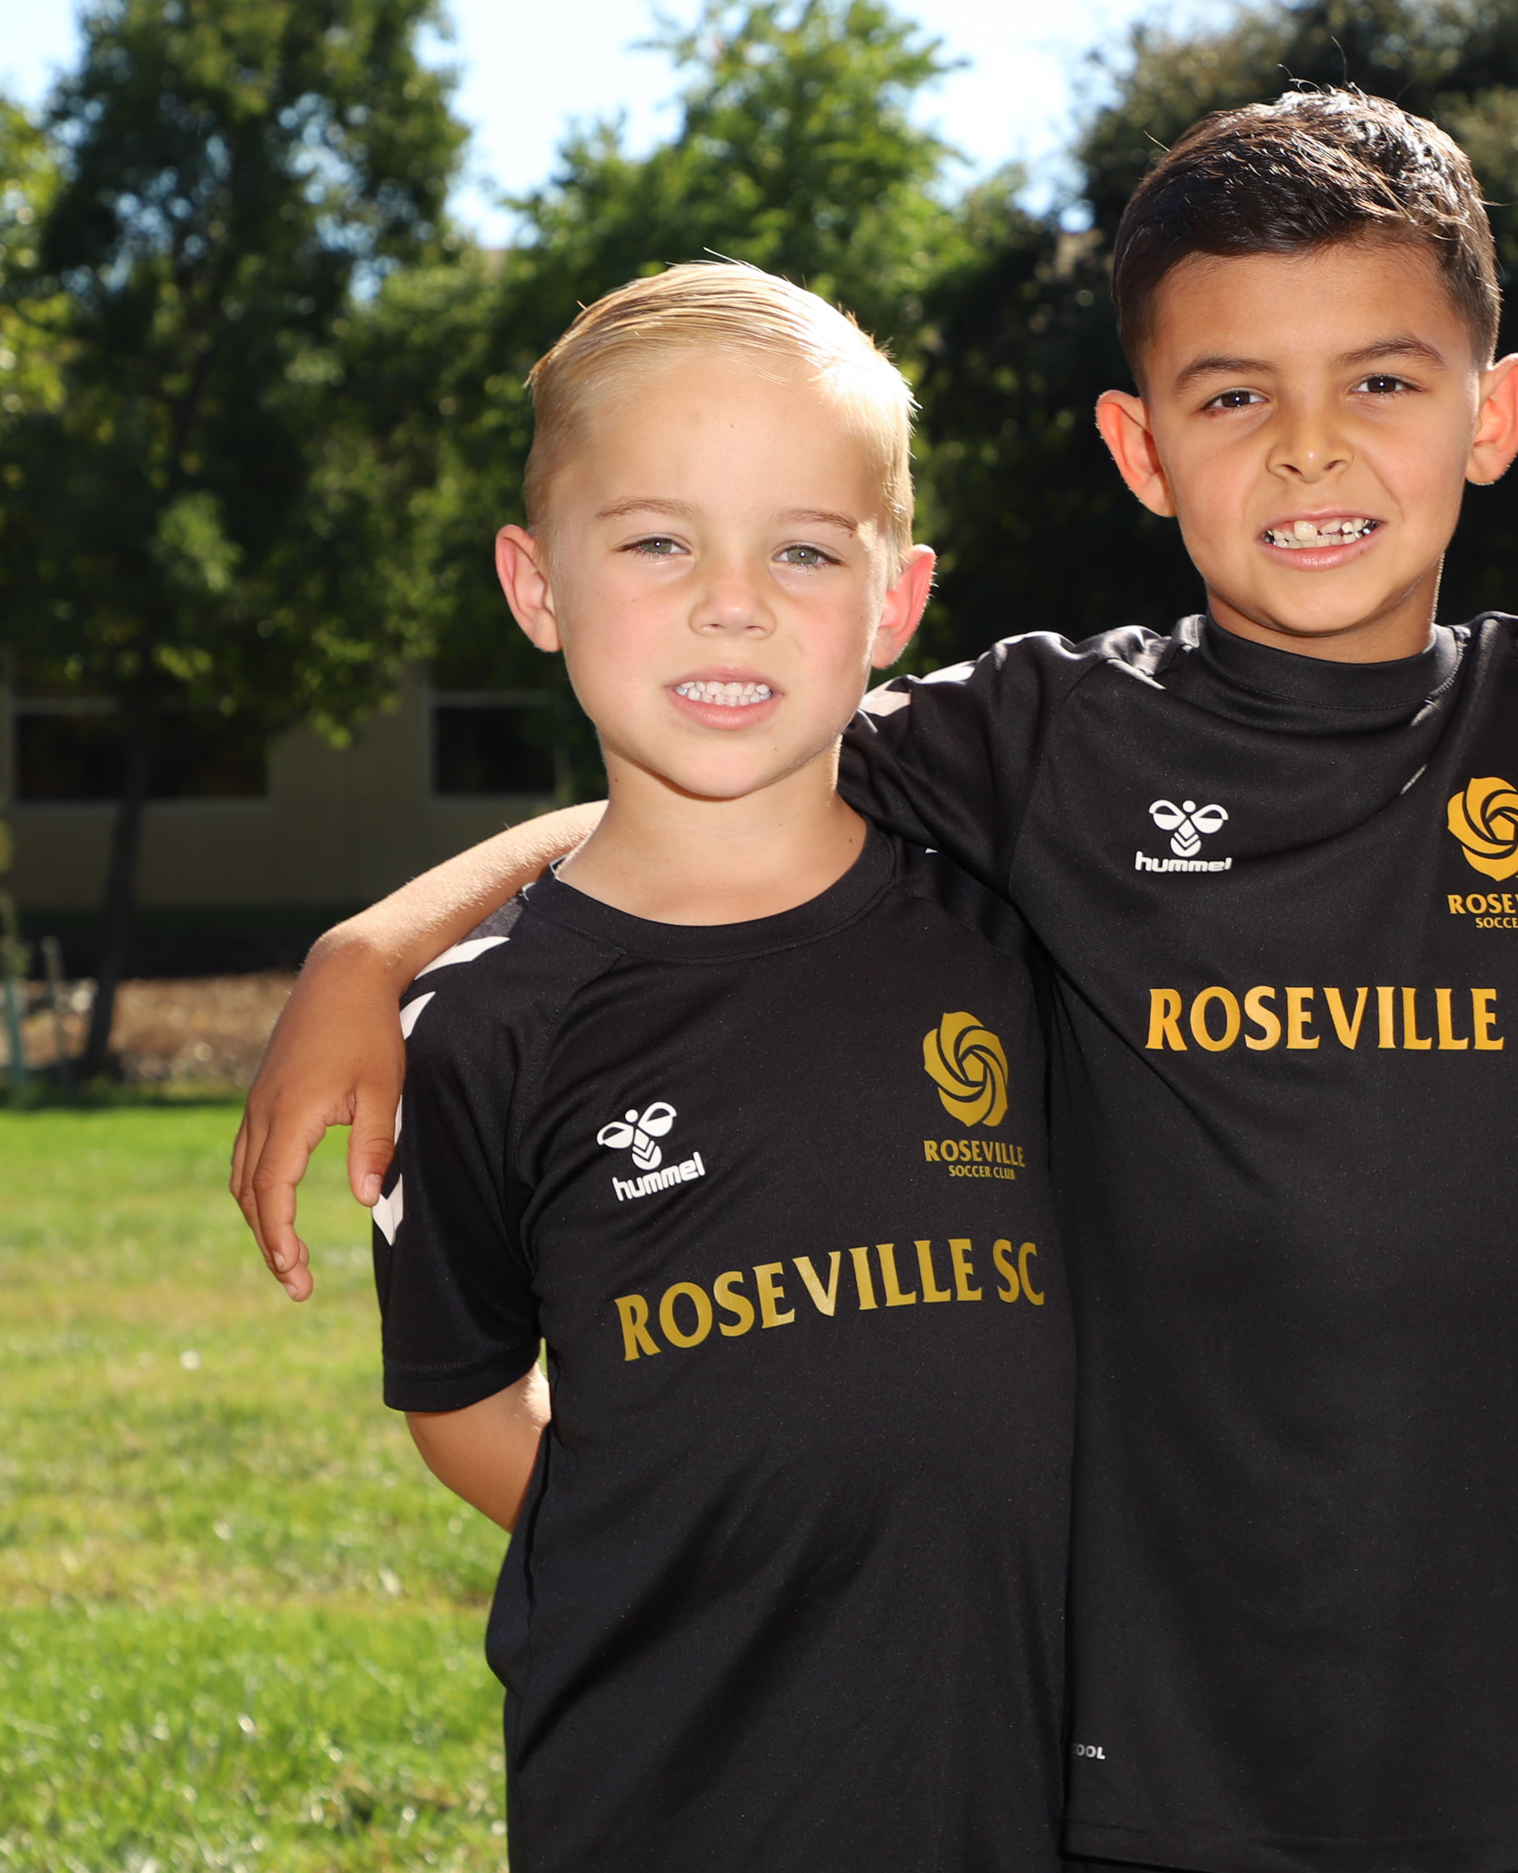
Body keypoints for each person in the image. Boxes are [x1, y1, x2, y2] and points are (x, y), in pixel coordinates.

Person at [233, 95, 1518, 1873]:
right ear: (1143, 449)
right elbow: (725, 753)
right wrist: (376, 944)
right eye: (1235, 397)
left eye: (1381, 385)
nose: (1311, 453)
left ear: (1492, 414)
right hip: (1156, 1765)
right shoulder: (1042, 739)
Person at [369, 262, 1070, 1870]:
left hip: (1016, 1778)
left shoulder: (1021, 933)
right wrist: (692, 1529)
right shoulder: (481, 1026)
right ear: (536, 584)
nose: (731, 601)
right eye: (657, 542)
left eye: (803, 549)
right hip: (669, 1794)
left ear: (898, 602)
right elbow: (461, 1401)